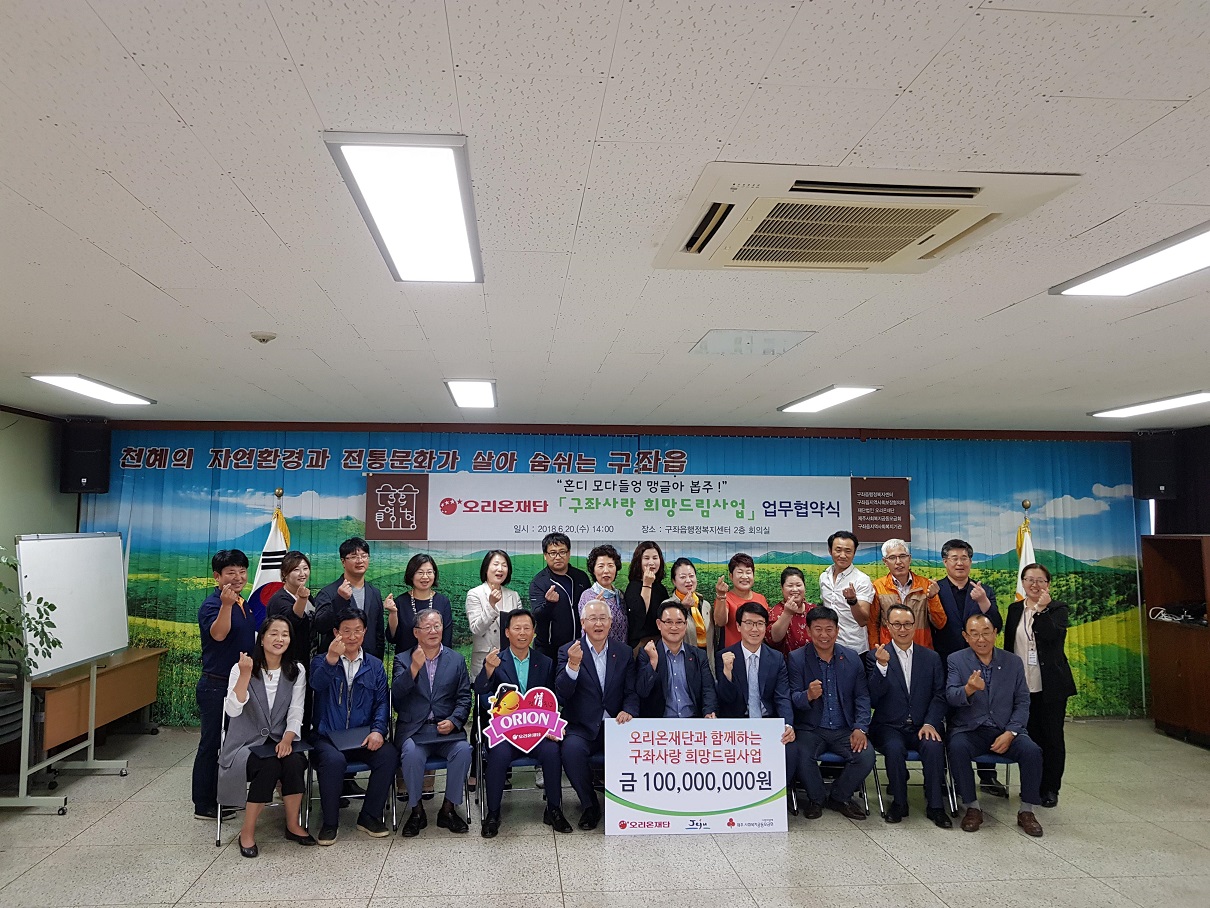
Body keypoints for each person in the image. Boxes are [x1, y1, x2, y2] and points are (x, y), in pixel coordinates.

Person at [218, 616, 314, 855]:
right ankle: (247, 831)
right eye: (273, 633)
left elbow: (296, 710)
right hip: (244, 745)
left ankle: (292, 824)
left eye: (285, 634)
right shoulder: (242, 668)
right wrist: (244, 675)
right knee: (269, 765)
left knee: (294, 762)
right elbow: (232, 710)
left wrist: (288, 738)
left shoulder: (296, 670)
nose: (279, 639)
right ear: (262, 638)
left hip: (281, 739)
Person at [474, 608, 572, 837]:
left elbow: (553, 699)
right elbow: (480, 693)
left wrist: (551, 726)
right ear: (507, 632)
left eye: (527, 628)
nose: (522, 633)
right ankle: (493, 813)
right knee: (497, 754)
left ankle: (554, 809)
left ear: (534, 633)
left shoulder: (545, 662)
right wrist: (488, 670)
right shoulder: (496, 661)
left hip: (537, 733)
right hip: (506, 734)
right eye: (516, 628)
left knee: (551, 751)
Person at [946, 614, 1045, 837]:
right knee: (957, 747)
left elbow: (1022, 701)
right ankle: (972, 807)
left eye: (986, 632)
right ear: (966, 637)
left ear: (995, 634)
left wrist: (1011, 732)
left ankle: (1027, 811)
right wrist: (969, 689)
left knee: (1032, 751)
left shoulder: (1013, 661)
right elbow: (951, 697)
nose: (981, 639)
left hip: (1005, 729)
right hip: (970, 729)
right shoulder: (956, 660)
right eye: (974, 634)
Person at [308, 609, 397, 845]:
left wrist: (378, 730)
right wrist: (331, 660)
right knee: (335, 761)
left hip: (361, 735)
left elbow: (381, 702)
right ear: (336, 633)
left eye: (358, 630)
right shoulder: (321, 660)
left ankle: (369, 816)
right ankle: (329, 822)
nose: (352, 636)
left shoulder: (375, 665)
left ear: (365, 632)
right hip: (327, 737)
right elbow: (316, 685)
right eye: (346, 631)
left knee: (388, 755)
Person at [555, 598, 638, 830]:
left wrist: (628, 710)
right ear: (583, 622)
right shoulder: (569, 650)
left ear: (611, 622)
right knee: (571, 751)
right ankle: (590, 805)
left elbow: (631, 691)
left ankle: (630, 804)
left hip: (616, 725)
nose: (598, 623)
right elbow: (561, 695)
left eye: (603, 618)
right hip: (581, 725)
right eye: (593, 618)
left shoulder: (623, 652)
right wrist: (573, 665)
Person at [932, 537, 1005, 797]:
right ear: (945, 562)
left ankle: (988, 776)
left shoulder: (983, 590)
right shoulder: (935, 589)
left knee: (982, 716)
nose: (960, 563)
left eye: (964, 558)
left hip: (979, 664)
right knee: (947, 720)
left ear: (971, 561)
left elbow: (997, 623)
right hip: (943, 664)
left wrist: (984, 602)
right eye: (954, 558)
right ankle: (945, 777)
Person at [787, 605, 874, 820]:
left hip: (845, 728)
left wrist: (860, 727)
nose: (824, 635)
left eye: (829, 629)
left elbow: (862, 697)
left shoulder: (852, 658)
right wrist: (807, 695)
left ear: (837, 630)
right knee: (801, 754)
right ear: (808, 631)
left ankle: (839, 797)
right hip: (811, 728)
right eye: (818, 629)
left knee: (865, 756)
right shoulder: (797, 658)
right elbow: (792, 698)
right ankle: (816, 799)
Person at [867, 604, 951, 828]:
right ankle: (899, 803)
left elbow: (940, 694)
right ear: (888, 626)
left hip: (923, 724)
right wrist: (881, 667)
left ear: (914, 626)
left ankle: (935, 806)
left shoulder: (931, 658)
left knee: (933, 746)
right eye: (897, 624)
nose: (902, 629)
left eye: (907, 624)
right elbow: (872, 698)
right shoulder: (875, 656)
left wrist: (931, 722)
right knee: (894, 749)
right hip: (889, 726)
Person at [393, 609, 473, 837]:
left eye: (437, 626)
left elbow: (464, 697)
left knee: (464, 751)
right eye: (427, 627)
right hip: (415, 731)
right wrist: (414, 668)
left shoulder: (456, 660)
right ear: (416, 632)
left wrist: (454, 720)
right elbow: (397, 696)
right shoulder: (402, 659)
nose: (433, 631)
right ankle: (416, 811)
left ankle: (448, 809)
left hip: (446, 731)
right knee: (410, 753)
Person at [1004, 563, 1077, 808]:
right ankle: (1032, 785)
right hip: (1022, 684)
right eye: (1029, 580)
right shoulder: (1015, 609)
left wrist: (1042, 610)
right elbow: (1008, 645)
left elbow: (1052, 637)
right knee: (1030, 739)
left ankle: (1050, 788)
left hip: (1050, 685)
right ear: (1022, 582)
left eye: (1040, 581)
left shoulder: (1057, 609)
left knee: (1052, 738)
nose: (1034, 585)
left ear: (1048, 584)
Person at [193, 549, 256, 821]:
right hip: (216, 686)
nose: (238, 577)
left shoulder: (244, 601)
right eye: (231, 572)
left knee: (231, 743)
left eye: (242, 571)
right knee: (211, 743)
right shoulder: (212, 605)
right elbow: (218, 635)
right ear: (217, 576)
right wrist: (226, 606)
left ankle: (223, 796)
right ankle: (203, 803)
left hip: (239, 684)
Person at [715, 602, 795, 758]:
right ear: (738, 626)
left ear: (765, 627)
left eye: (759, 624)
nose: (754, 629)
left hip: (767, 722)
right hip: (736, 725)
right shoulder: (724, 656)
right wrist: (727, 672)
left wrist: (787, 724)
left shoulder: (776, 658)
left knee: (791, 752)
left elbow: (782, 697)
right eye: (749, 623)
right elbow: (726, 699)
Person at [635, 600, 717, 719]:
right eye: (668, 622)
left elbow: (708, 690)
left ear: (685, 625)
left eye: (679, 622)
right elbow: (642, 691)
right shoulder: (647, 653)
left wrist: (709, 711)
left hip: (693, 722)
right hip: (659, 725)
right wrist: (653, 662)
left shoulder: (699, 655)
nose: (674, 627)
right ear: (659, 624)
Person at [312, 537, 386, 660]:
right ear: (343, 561)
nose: (360, 560)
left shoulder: (374, 593)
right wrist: (339, 600)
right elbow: (321, 626)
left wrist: (377, 662)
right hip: (337, 662)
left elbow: (379, 634)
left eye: (364, 556)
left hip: (368, 662)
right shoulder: (328, 592)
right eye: (353, 557)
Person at [867, 539, 946, 650]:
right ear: (885, 562)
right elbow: (872, 625)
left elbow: (940, 623)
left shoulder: (926, 585)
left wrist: (932, 598)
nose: (898, 562)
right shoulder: (878, 587)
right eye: (892, 558)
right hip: (889, 651)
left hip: (921, 649)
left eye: (903, 556)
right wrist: (875, 652)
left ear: (909, 558)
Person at [530, 533, 592, 663]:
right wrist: (549, 603)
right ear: (545, 556)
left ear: (569, 554)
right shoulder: (539, 582)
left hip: (579, 646)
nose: (558, 557)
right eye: (552, 553)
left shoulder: (581, 577)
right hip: (549, 650)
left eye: (562, 552)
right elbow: (537, 615)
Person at [466, 550, 521, 678]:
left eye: (504, 565)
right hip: (484, 662)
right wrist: (491, 605)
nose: (500, 569)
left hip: (510, 661)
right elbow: (476, 629)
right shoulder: (475, 594)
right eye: (495, 564)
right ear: (486, 568)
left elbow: (519, 628)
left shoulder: (513, 595)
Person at [818, 531, 875, 655]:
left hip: (854, 648)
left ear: (854, 553)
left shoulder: (861, 580)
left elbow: (863, 620)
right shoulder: (824, 577)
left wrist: (852, 601)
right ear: (830, 550)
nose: (842, 555)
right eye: (838, 550)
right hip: (828, 646)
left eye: (848, 551)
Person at [387, 553, 453, 653]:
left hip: (436, 663)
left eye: (429, 572)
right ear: (411, 575)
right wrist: (393, 613)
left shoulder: (443, 602)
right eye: (420, 572)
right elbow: (393, 638)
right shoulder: (401, 602)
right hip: (406, 663)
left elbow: (447, 639)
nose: (425, 577)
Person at [266, 551, 313, 668]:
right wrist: (301, 599)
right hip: (288, 662)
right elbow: (292, 622)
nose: (302, 574)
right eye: (296, 570)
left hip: (308, 658)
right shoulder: (279, 600)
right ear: (284, 574)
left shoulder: (307, 595)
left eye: (305, 568)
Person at [664, 557, 714, 666]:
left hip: (707, 665)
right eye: (683, 577)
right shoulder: (667, 606)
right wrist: (683, 609)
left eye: (691, 576)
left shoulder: (705, 605)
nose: (688, 580)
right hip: (681, 665)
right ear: (674, 581)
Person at [713, 553, 768, 649]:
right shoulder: (726, 598)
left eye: (748, 572)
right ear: (731, 576)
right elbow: (720, 622)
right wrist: (721, 596)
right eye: (740, 572)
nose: (744, 576)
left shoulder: (761, 599)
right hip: (732, 655)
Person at [623, 541, 669, 648]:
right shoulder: (633, 587)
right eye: (646, 558)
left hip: (661, 642)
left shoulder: (661, 588)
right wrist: (647, 584)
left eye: (655, 558)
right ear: (639, 562)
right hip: (640, 644)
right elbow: (639, 616)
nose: (651, 562)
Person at [578, 544, 626, 644]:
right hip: (598, 653)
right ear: (593, 570)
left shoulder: (620, 595)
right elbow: (587, 629)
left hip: (621, 653)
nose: (606, 571)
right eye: (601, 566)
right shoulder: (588, 597)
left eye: (610, 566)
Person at [766, 566, 814, 657]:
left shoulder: (812, 609)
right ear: (782, 588)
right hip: (786, 666)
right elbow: (774, 639)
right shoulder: (775, 612)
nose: (795, 589)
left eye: (799, 585)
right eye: (790, 586)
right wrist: (787, 613)